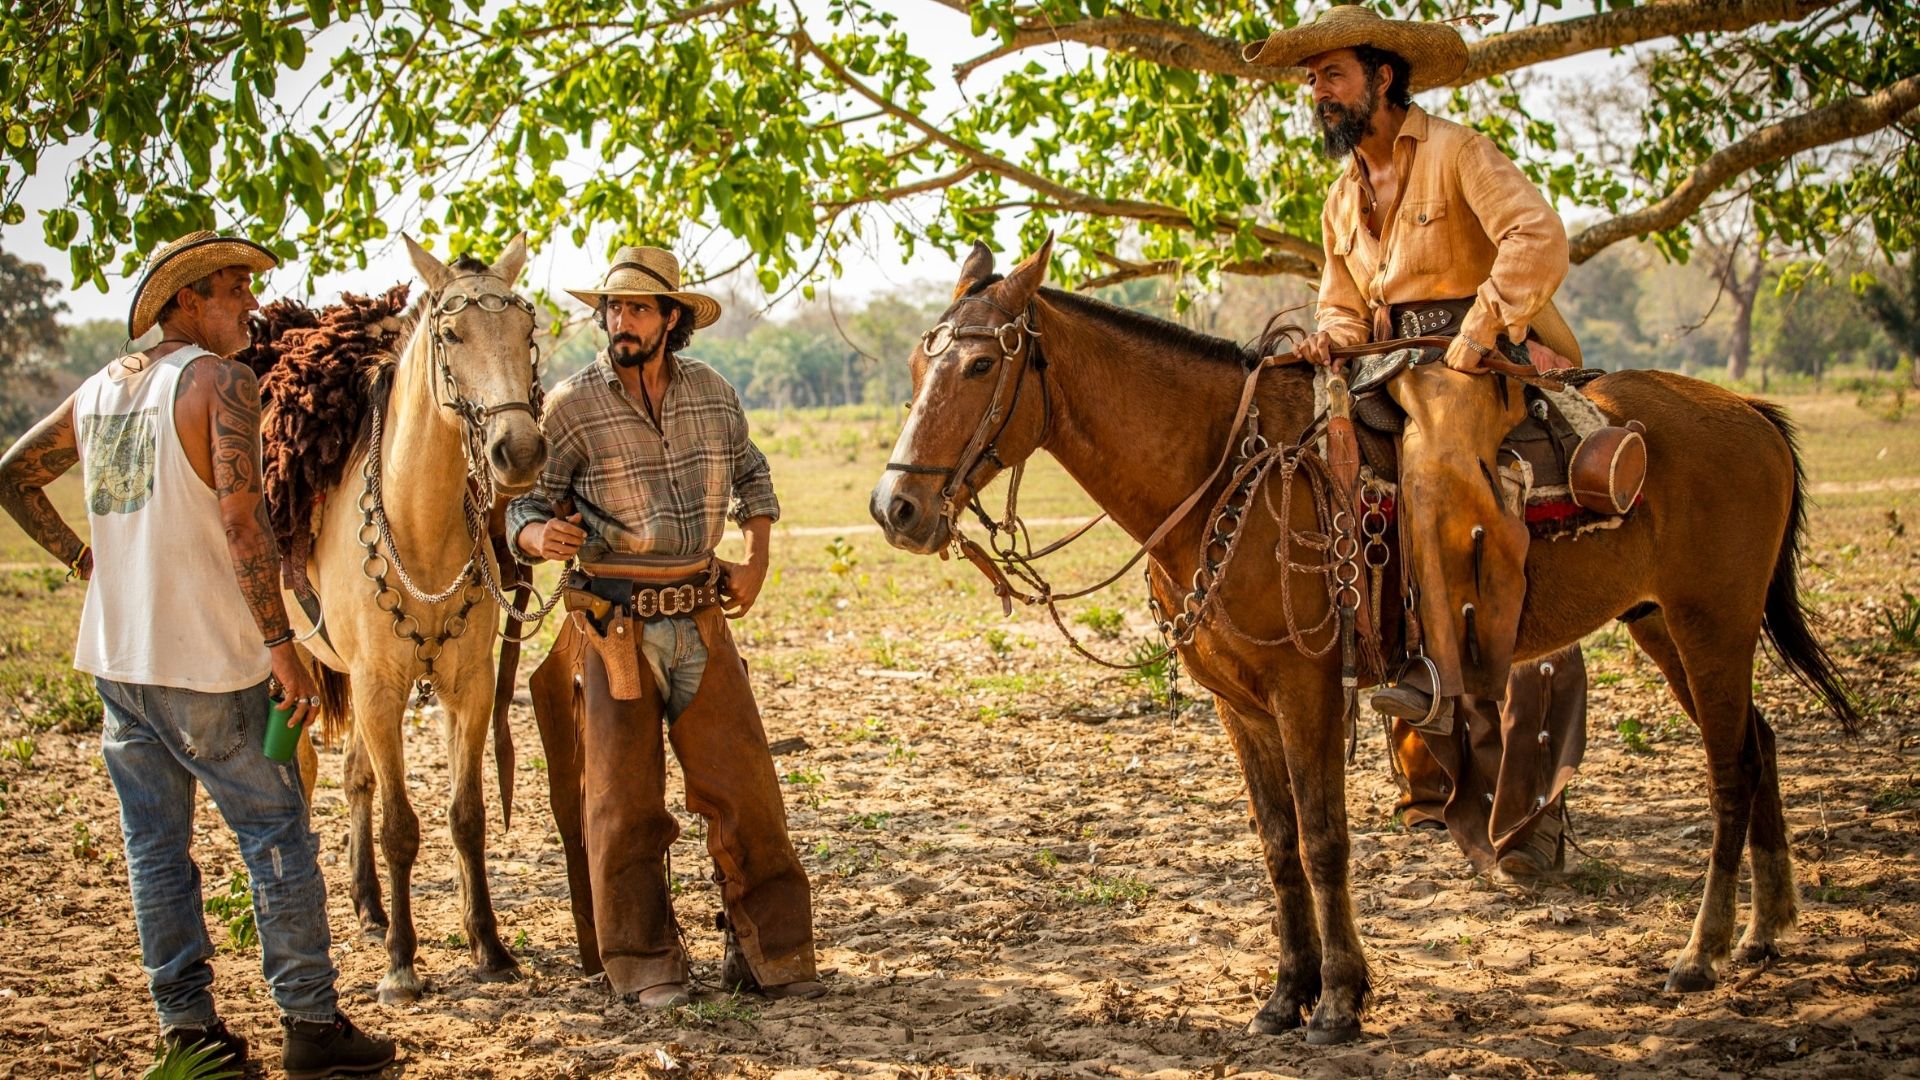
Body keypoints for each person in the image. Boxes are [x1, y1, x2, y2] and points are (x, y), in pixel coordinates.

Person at [0, 231, 395, 1077]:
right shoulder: (222, 384)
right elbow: (242, 523)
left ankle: (189, 1033)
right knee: (277, 835)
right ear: (183, 300)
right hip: (212, 664)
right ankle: (311, 1024)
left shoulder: (101, 390)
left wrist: (85, 564)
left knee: (155, 849)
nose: (249, 303)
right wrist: (283, 645)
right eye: (230, 288)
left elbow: (12, 475)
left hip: (118, 662)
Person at [1242, 8, 1588, 879]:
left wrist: (1481, 328)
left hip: (1477, 357)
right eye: (1310, 81)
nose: (1314, 93)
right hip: (1378, 364)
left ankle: (1445, 677)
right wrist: (1328, 332)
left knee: (1434, 469)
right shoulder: (1339, 194)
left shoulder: (1459, 152)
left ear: (1383, 77)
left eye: (1330, 76)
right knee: (1310, 475)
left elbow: (1537, 236)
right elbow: (1339, 296)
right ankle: (1385, 672)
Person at [510, 246, 824, 1007]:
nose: (621, 321)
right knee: (623, 803)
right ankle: (644, 964)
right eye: (614, 308)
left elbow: (753, 476)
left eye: (639, 309)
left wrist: (756, 556)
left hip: (702, 615)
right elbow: (525, 502)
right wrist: (536, 538)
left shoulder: (715, 394)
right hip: (614, 626)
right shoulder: (571, 404)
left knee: (746, 791)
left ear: (672, 319)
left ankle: (771, 954)